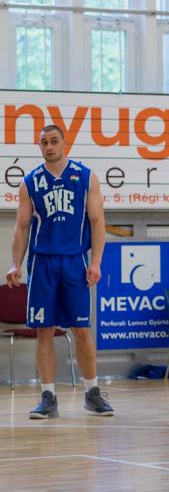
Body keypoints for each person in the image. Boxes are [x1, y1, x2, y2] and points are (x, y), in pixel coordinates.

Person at [6, 124, 114, 418]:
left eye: (54, 141)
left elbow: (97, 221)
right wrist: (15, 263)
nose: (49, 146)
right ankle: (48, 397)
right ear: (39, 146)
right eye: (44, 142)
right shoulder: (30, 182)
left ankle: (92, 393)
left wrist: (96, 262)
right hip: (42, 263)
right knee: (44, 330)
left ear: (65, 142)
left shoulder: (86, 177)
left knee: (81, 329)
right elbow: (22, 227)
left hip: (74, 262)